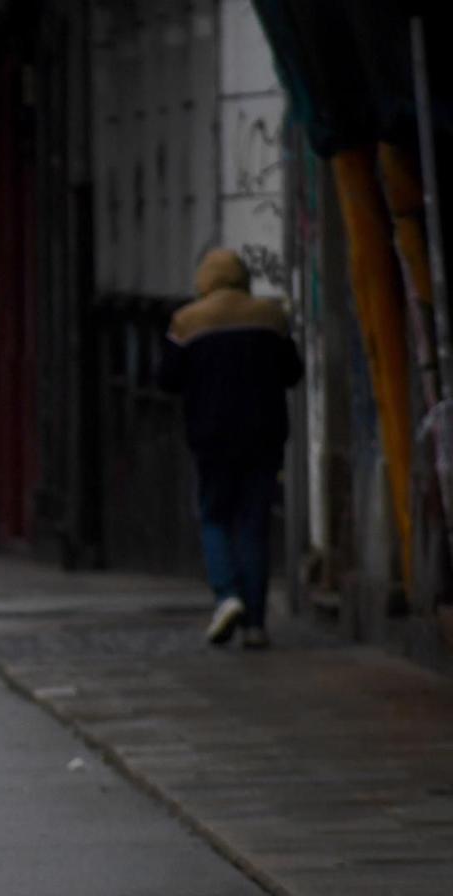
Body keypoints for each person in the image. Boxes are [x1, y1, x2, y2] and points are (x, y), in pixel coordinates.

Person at [158, 248, 303, 649]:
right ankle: (256, 624)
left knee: (215, 517)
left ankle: (227, 596)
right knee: (254, 524)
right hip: (264, 437)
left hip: (212, 439)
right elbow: (293, 372)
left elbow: (167, 379)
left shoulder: (187, 322)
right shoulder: (271, 317)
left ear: (204, 281)